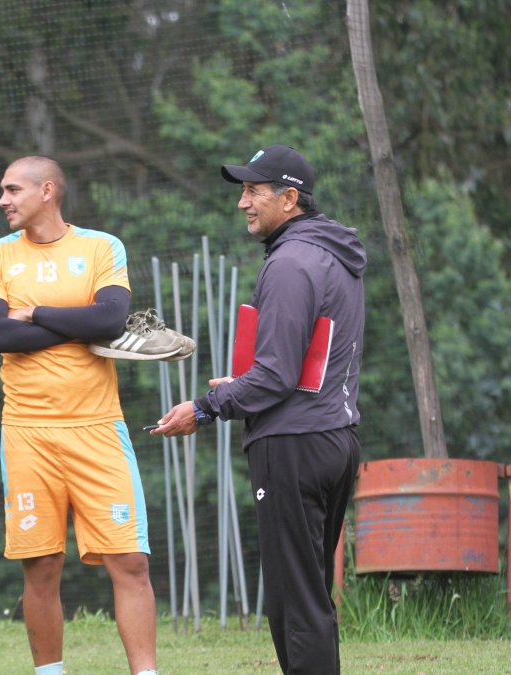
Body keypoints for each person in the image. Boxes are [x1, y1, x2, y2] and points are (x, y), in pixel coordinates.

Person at [153, 145, 365, 674]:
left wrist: (204, 408)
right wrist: (248, 384)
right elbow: (302, 366)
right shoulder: (333, 255)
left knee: (296, 604)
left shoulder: (290, 263)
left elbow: (274, 377)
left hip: (292, 445)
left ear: (289, 198)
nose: (242, 203)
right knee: (309, 594)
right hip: (334, 437)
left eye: (253, 191)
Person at [0, 156, 158, 675]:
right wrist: (81, 325)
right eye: (2, 191)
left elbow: (112, 318)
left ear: (47, 190)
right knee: (42, 566)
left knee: (131, 562)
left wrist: (35, 314)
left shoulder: (102, 246)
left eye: (12, 190)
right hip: (27, 432)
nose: (3, 200)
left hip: (99, 428)